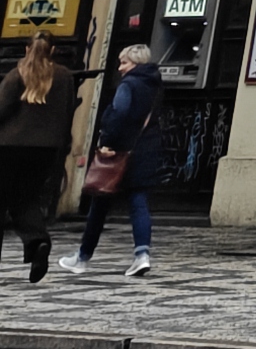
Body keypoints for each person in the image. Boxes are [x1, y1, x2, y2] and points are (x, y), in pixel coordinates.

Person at [58, 41, 166, 279]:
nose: (120, 68)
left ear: (136, 63)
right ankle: (142, 255)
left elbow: (118, 115)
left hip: (120, 151)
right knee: (138, 202)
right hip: (144, 149)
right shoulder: (155, 84)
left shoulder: (129, 84)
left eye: (124, 62)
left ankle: (82, 257)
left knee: (99, 202)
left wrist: (107, 141)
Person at [0, 39, 77, 283]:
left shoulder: (17, 74)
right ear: (53, 51)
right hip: (46, 148)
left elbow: (2, 109)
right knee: (26, 197)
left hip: (8, 146)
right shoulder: (64, 77)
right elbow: (68, 111)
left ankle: (34, 243)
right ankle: (38, 241)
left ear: (26, 49)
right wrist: (64, 143)